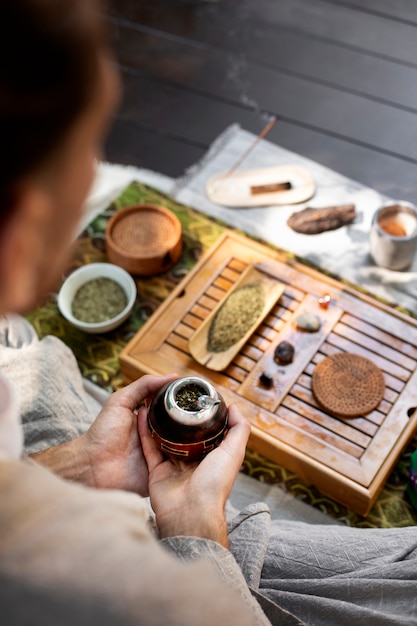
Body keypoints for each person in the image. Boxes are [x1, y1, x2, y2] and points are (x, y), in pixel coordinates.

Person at [0, 2, 416, 625]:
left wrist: (83, 461)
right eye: (89, 151)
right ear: (24, 231)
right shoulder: (129, 591)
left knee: (41, 359)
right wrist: (195, 526)